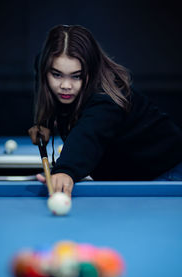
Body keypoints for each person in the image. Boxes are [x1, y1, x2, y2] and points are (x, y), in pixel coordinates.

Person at [28, 24, 182, 197]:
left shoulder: (105, 98)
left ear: (91, 72)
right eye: (57, 75)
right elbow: (43, 83)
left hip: (169, 171)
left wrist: (65, 170)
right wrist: (43, 121)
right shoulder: (45, 66)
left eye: (76, 76)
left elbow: (88, 134)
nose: (65, 85)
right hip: (132, 172)